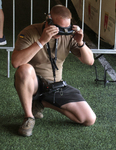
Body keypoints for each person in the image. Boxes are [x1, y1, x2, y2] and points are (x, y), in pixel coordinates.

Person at [11, 5, 96, 137]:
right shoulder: (30, 32)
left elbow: (89, 61)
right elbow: (16, 62)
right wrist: (41, 41)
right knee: (24, 69)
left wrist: (80, 42)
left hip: (56, 85)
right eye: (58, 29)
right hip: (34, 84)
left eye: (65, 29)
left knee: (88, 119)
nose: (61, 33)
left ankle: (42, 102)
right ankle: (29, 117)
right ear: (48, 22)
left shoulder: (68, 35)